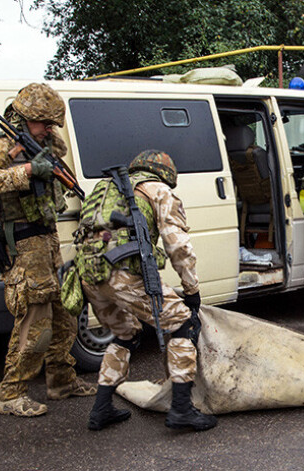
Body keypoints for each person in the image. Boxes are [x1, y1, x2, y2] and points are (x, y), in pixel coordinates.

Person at [0, 83, 96, 417]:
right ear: (24, 118)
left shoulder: (42, 141)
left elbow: (58, 151)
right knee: (35, 322)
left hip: (48, 240)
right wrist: (25, 168)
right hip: (24, 243)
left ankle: (61, 380)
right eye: (44, 123)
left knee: (65, 313)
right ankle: (12, 394)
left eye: (53, 124)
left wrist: (41, 147)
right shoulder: (1, 145)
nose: (50, 129)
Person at [74, 149, 217, 432]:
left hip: (89, 275)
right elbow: (178, 245)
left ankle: (101, 408)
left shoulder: (106, 187)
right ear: (165, 173)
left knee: (127, 333)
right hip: (121, 273)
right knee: (182, 324)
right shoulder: (158, 190)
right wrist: (191, 290)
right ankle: (181, 409)